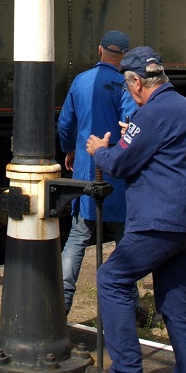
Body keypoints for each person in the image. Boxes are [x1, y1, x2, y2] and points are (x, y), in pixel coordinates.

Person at [84, 46, 186, 373]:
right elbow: (157, 148)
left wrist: (101, 150)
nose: (129, 94)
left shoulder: (151, 113)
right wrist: (131, 136)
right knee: (176, 305)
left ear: (138, 82)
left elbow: (122, 163)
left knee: (112, 278)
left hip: (160, 222)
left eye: (129, 88)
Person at [58, 29, 136, 316]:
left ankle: (62, 303)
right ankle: (130, 305)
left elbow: (66, 122)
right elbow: (131, 124)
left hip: (84, 169)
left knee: (78, 237)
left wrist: (70, 150)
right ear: (124, 56)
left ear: (100, 50)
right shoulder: (125, 85)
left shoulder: (81, 80)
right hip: (116, 169)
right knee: (124, 240)